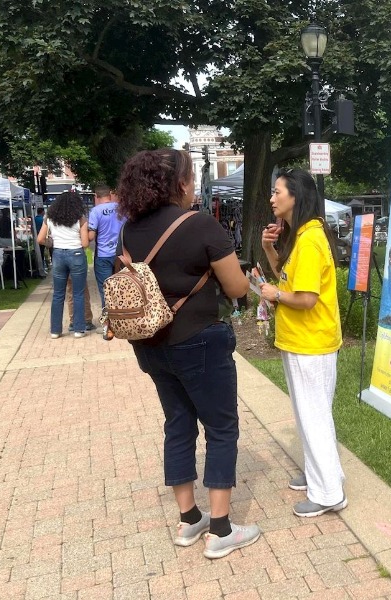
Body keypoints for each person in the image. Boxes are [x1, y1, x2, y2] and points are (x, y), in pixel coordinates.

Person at [118, 149, 259, 559]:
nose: (194, 185)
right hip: (199, 338)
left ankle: (188, 519)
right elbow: (236, 289)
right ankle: (220, 529)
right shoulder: (201, 224)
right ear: (178, 184)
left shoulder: (130, 230)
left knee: (178, 424)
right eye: (191, 178)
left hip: (150, 343)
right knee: (220, 427)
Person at [258, 168, 346, 518]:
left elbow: (305, 297)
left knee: (314, 416)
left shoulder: (310, 239)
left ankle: (329, 493)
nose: (272, 198)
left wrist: (274, 294)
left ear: (296, 196)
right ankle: (321, 475)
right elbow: (288, 276)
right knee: (309, 414)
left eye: (278, 192)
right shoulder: (303, 235)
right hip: (303, 340)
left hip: (311, 341)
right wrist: (268, 248)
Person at [37, 191, 89, 339]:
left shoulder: (50, 219)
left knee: (58, 294)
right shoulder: (81, 219)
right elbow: (85, 243)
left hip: (58, 254)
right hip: (77, 254)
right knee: (78, 293)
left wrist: (51, 242)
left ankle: (55, 330)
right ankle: (79, 329)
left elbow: (40, 239)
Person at [87, 184, 126, 307]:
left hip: (103, 255)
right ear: (110, 195)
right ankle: (123, 316)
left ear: (96, 196)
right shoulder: (122, 209)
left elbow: (91, 236)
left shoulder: (95, 211)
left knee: (106, 289)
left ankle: (108, 320)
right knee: (121, 288)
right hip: (121, 254)